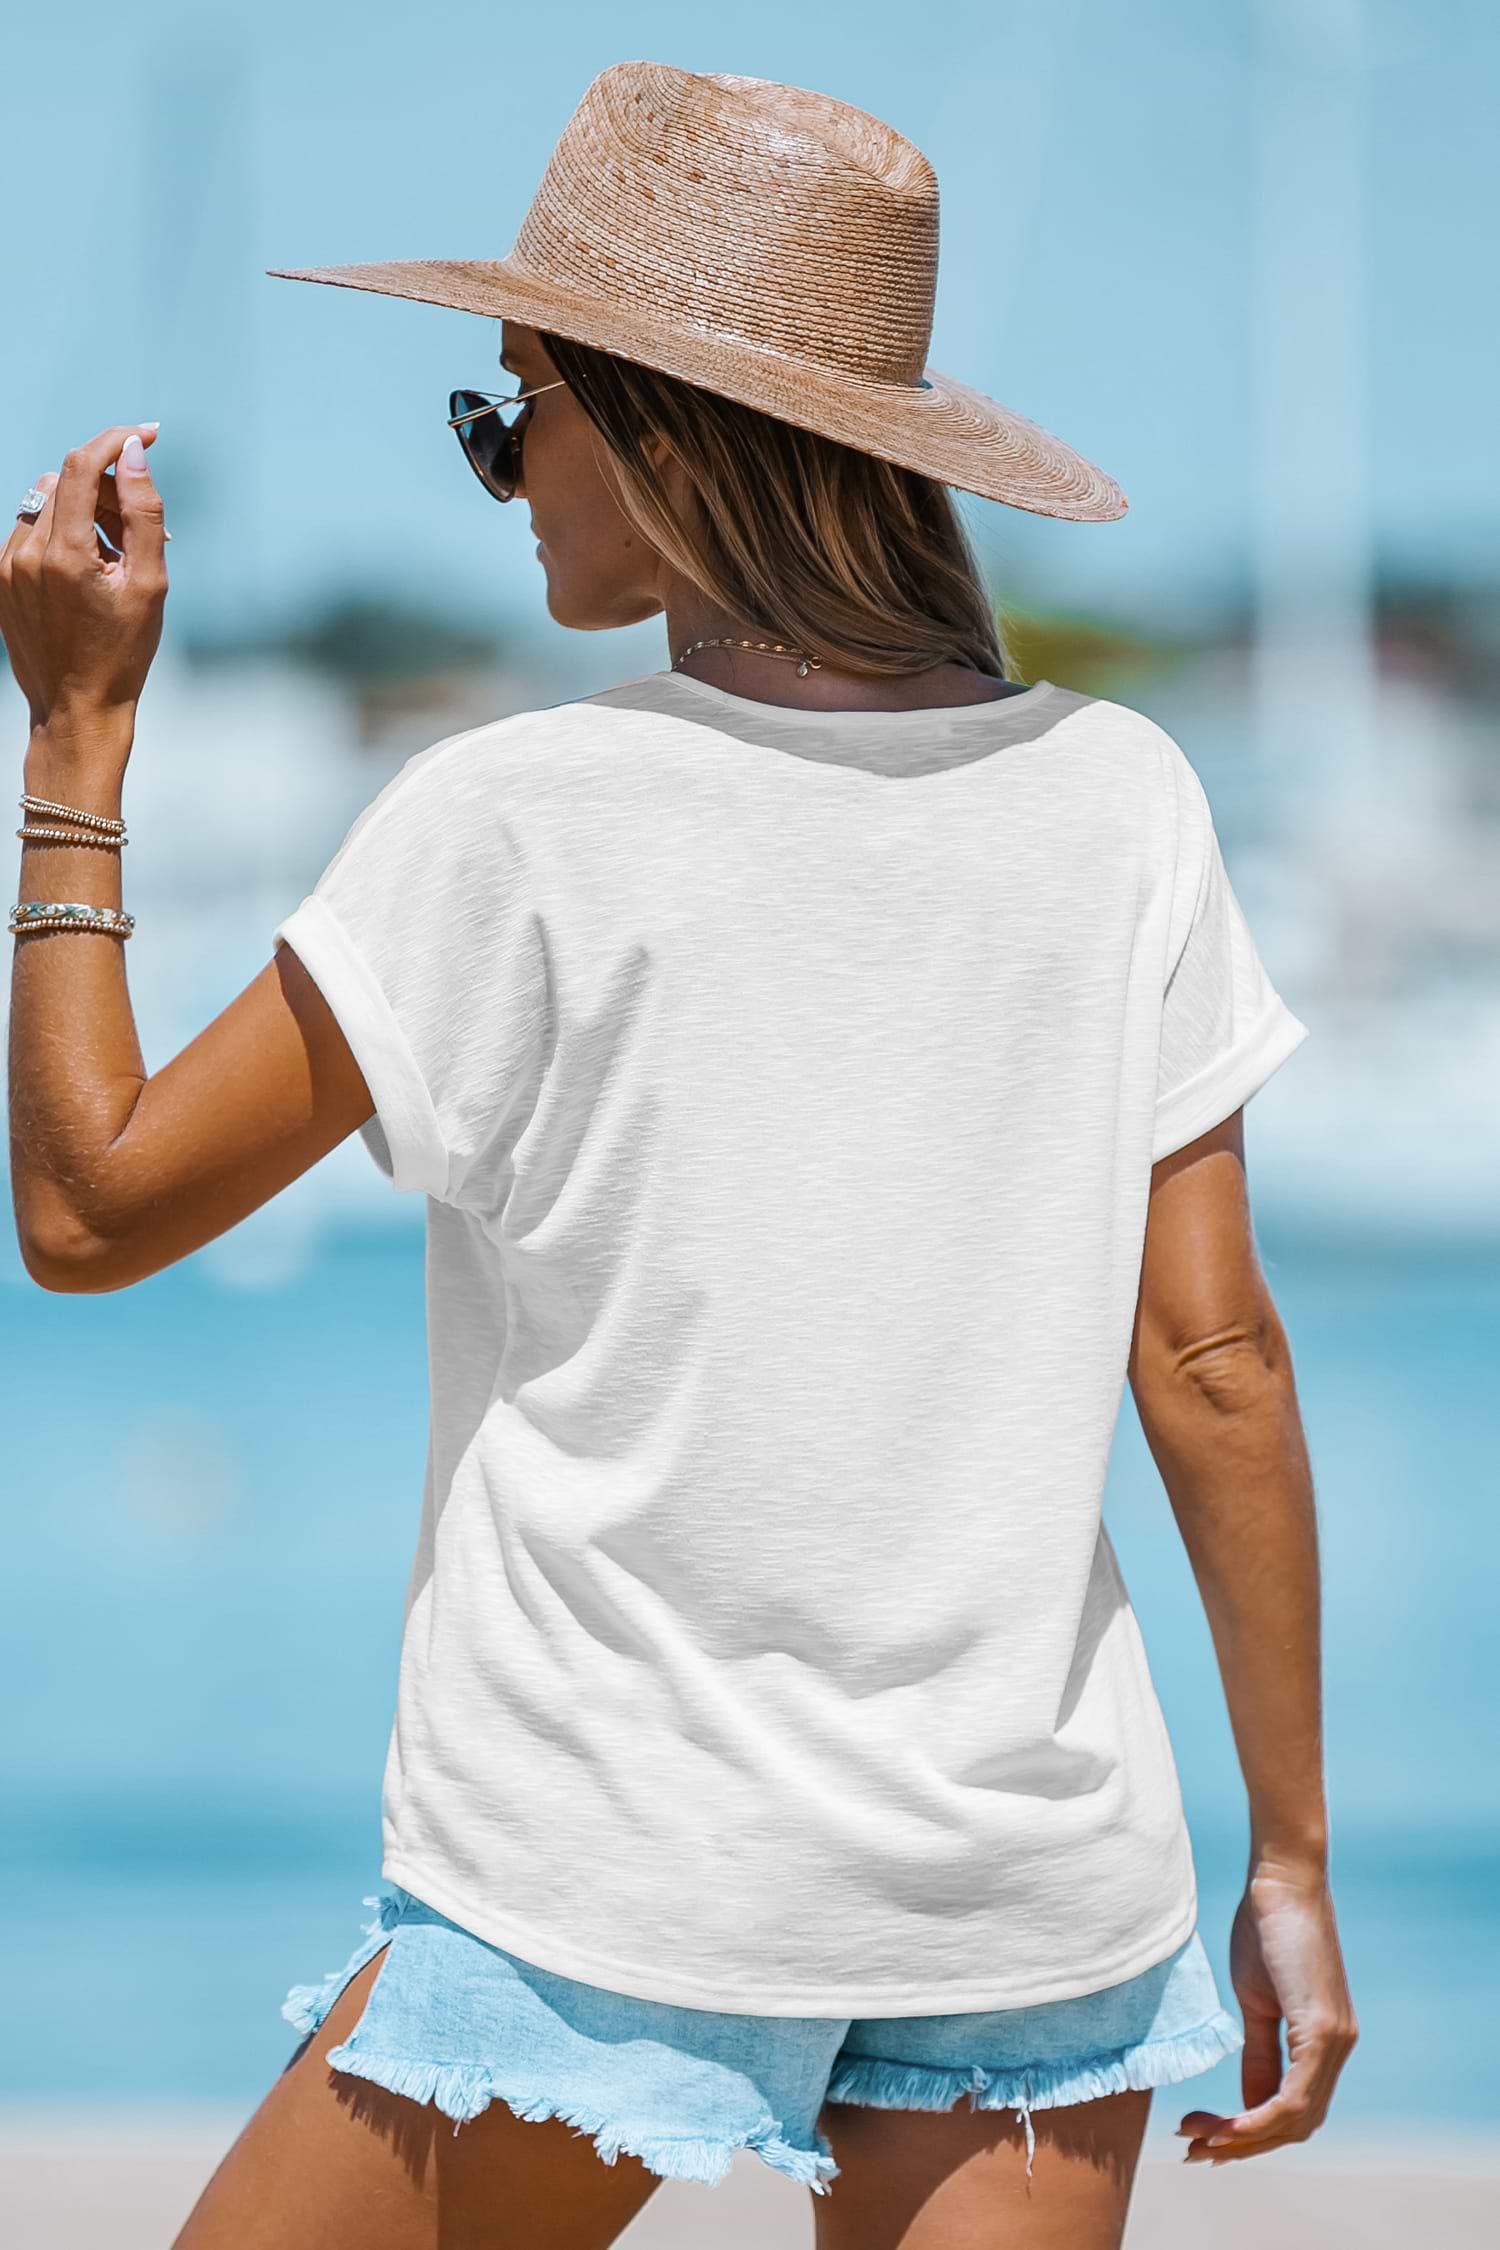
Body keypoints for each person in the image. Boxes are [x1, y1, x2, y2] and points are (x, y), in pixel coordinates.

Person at [1, 59, 1357, 2250]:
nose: (498, 467)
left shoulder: (517, 818)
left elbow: (87, 1210)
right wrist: (1289, 1857)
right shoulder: (1123, 797)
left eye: (511, 408)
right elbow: (1215, 1364)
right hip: (1031, 1897)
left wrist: (75, 735)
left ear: (658, 426)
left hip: (615, 1872)